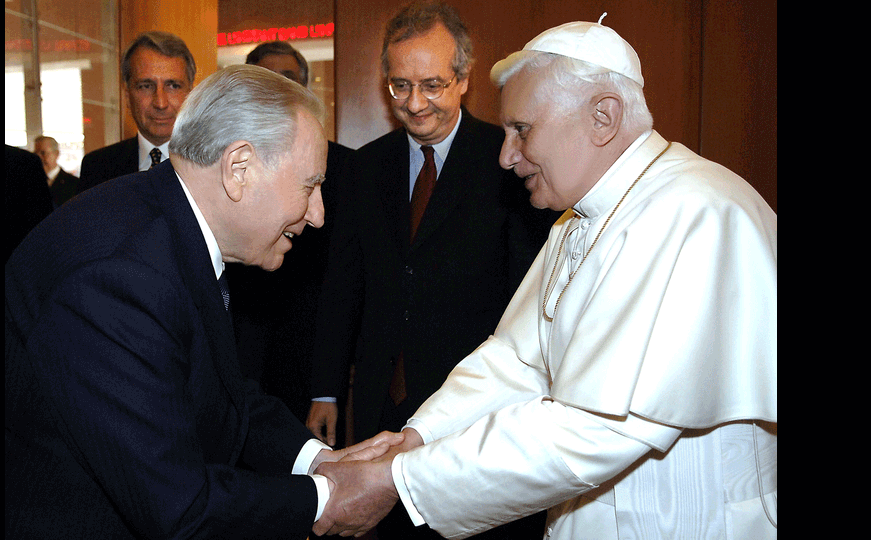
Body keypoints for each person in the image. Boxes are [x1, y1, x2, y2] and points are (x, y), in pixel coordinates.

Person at [314, 17, 777, 540]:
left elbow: (596, 427)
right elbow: (516, 360)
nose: (506, 155)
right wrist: (417, 438)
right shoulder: (579, 219)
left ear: (603, 117)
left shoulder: (695, 213)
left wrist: (402, 480)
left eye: (522, 131)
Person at [6, 64, 400, 540]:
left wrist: (320, 459)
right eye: (310, 185)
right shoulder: (121, 277)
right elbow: (179, 506)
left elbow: (221, 394)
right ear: (239, 168)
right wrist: (328, 499)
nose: (317, 215)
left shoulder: (166, 224)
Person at [307, 1, 555, 537]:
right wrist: (326, 390)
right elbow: (343, 288)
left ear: (464, 78)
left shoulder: (510, 161)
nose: (415, 103)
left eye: (433, 85)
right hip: (382, 407)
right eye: (400, 86)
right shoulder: (364, 167)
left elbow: (528, 298)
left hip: (477, 413)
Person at [225, 41, 353, 430]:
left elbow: (343, 282)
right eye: (268, 83)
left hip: (305, 354)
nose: (313, 215)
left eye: (289, 82)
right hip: (234, 352)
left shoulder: (345, 168)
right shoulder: (225, 166)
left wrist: (325, 389)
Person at [76, 31, 195, 194]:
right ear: (127, 95)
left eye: (173, 86)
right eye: (145, 86)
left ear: (192, 94)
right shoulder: (98, 167)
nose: (160, 103)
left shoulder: (215, 165)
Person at [33, 135, 79, 206]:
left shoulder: (74, 183)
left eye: (43, 153)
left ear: (56, 154)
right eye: (35, 154)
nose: (39, 158)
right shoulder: (30, 182)